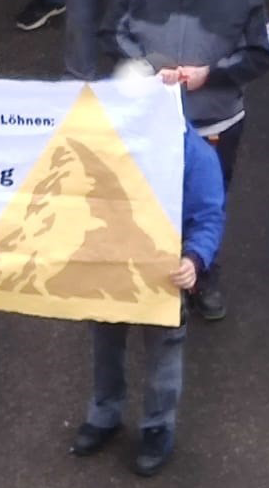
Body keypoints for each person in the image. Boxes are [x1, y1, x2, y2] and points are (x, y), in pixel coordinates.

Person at [116, 0, 269, 321]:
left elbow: (262, 53)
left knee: (207, 201)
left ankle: (203, 273)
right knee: (146, 197)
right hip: (151, 120)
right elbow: (113, 33)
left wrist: (213, 75)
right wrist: (150, 65)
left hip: (213, 123)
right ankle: (147, 274)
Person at [68, 109, 225, 477]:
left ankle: (158, 428)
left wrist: (195, 259)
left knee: (164, 357)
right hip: (111, 268)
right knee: (104, 345)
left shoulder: (197, 156)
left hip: (164, 277)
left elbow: (208, 216)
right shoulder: (113, 144)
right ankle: (104, 414)